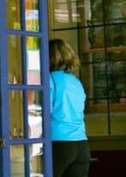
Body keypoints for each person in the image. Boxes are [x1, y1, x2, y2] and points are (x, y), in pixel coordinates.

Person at [48, 39, 90, 177]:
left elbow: (42, 112)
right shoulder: (75, 81)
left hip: (58, 143)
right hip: (81, 144)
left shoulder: (49, 79)